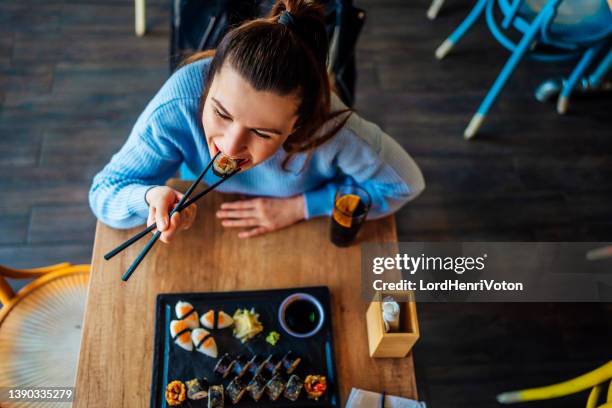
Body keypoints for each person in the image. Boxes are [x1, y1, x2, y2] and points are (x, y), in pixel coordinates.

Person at [89, 0, 425, 243]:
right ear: (207, 87)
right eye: (221, 113)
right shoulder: (179, 103)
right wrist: (148, 196)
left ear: (299, 123)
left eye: (262, 131)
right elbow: (105, 192)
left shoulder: (332, 128)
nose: (230, 146)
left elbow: (405, 184)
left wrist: (301, 207)